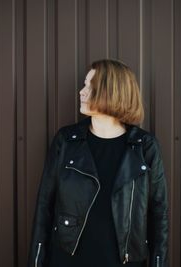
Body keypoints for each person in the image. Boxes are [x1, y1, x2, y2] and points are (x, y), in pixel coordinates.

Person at [27, 59, 168, 267]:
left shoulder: (145, 147)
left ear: (112, 91)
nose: (81, 92)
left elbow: (158, 216)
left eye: (89, 86)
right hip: (68, 260)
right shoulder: (66, 141)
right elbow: (44, 208)